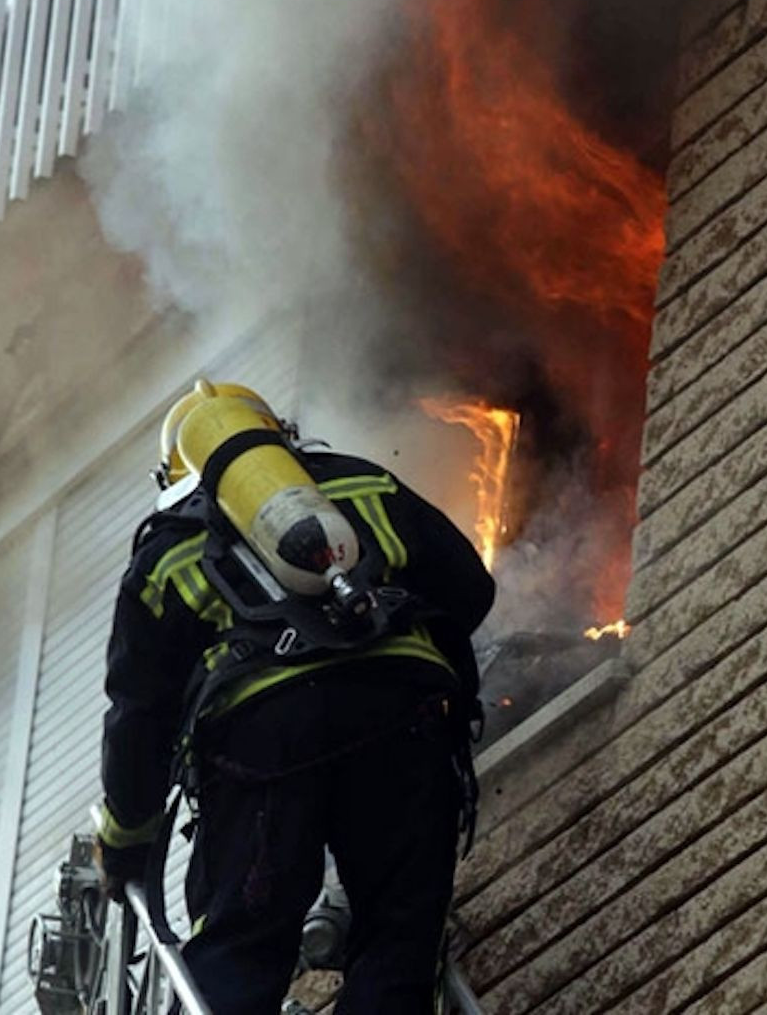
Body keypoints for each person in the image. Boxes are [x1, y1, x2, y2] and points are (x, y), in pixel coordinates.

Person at [94, 380, 495, 1014]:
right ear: (279, 434)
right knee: (398, 932)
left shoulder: (165, 555)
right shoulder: (364, 485)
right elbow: (469, 589)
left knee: (241, 949)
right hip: (403, 717)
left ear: (175, 473)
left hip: (264, 748)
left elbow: (139, 715)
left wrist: (125, 839)